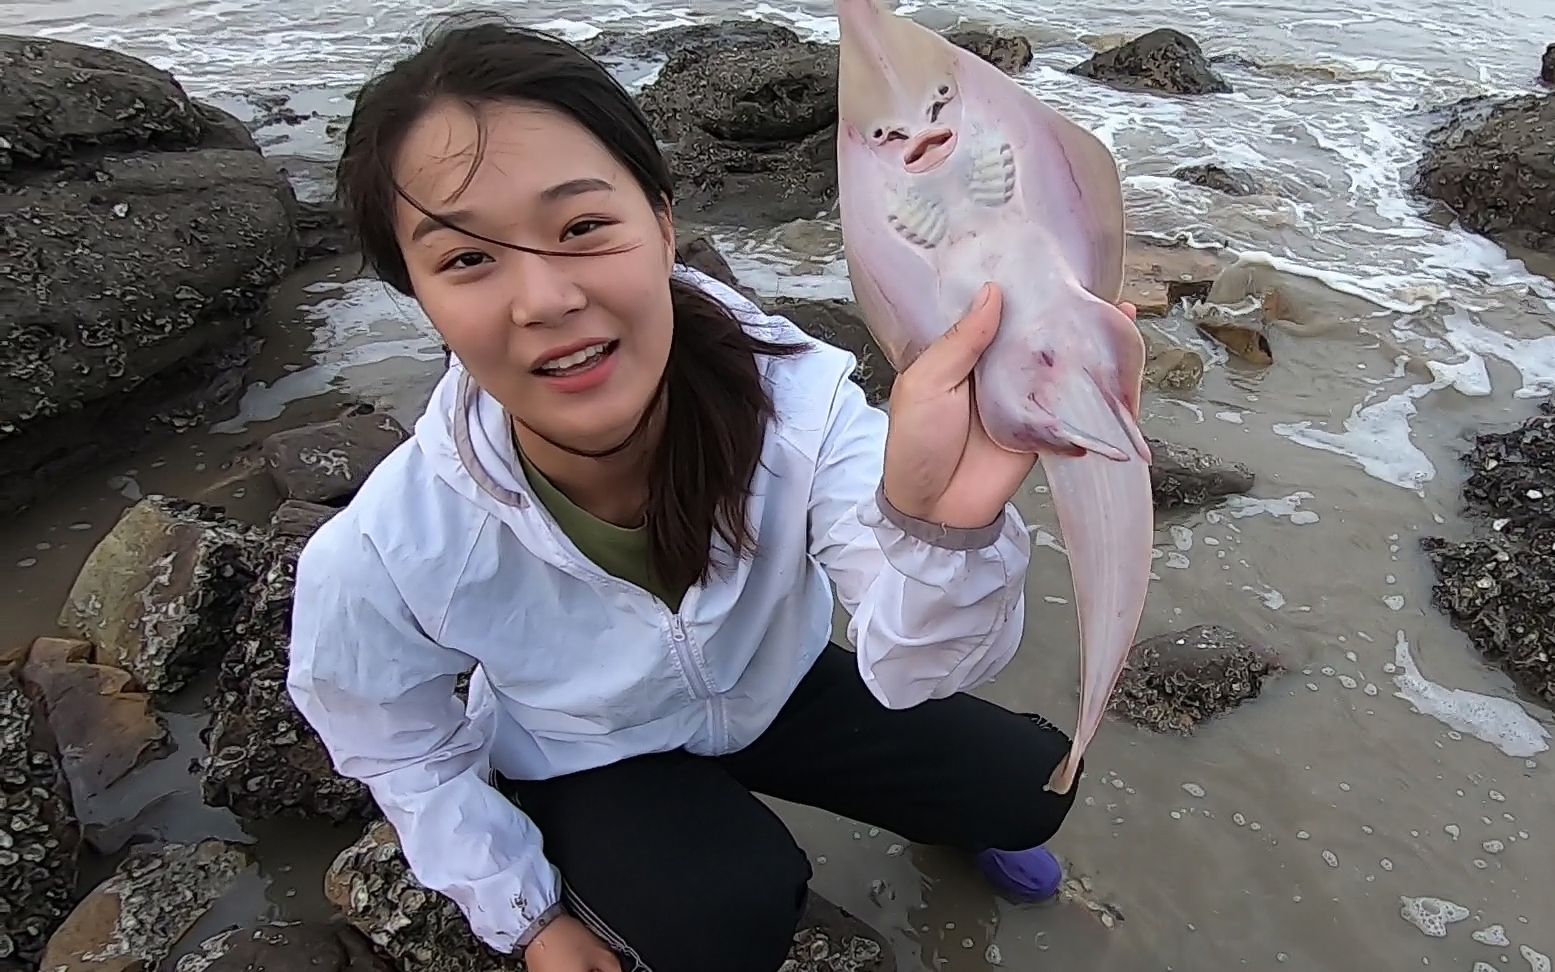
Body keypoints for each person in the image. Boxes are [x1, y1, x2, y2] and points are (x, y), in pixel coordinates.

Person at [286, 13, 1136, 972]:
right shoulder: (391, 544)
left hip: (768, 684)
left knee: (1031, 785)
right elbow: (402, 747)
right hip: (590, 745)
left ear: (661, 224)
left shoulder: (801, 406)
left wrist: (941, 528)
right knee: (722, 917)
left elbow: (918, 664)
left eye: (581, 228)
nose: (546, 300)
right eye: (467, 259)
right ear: (418, 293)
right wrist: (525, 916)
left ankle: (951, 821)